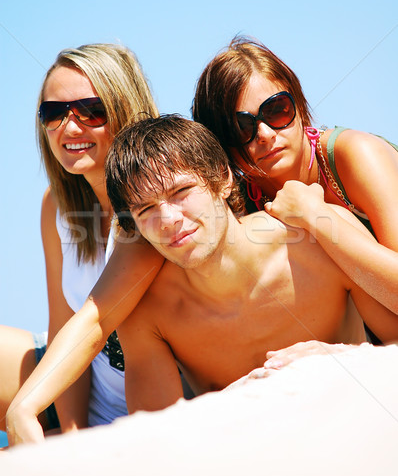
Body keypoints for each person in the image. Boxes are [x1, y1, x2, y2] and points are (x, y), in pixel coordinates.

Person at [60, 116, 398, 413]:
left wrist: (340, 357)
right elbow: (158, 437)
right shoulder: (148, 312)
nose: (168, 219)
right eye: (145, 209)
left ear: (223, 179)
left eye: (181, 192)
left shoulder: (319, 242)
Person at [1, 43, 163, 437]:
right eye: (53, 113)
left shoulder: (162, 201)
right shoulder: (57, 204)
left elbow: (95, 325)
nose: (69, 129)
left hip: (152, 405)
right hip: (81, 386)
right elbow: (63, 327)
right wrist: (72, 434)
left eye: (91, 111)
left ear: (126, 108)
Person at [192, 36, 398, 316]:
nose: (264, 135)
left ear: (299, 104)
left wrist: (313, 214)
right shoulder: (238, 201)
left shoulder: (356, 155)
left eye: (276, 110)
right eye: (241, 128)